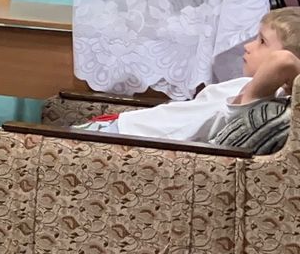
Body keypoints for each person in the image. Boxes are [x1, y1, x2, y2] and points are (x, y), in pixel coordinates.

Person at [76, 8, 300, 152]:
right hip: (122, 126)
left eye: (262, 42)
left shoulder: (259, 100)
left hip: (125, 141)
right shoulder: (246, 85)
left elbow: (283, 60)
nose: (248, 46)